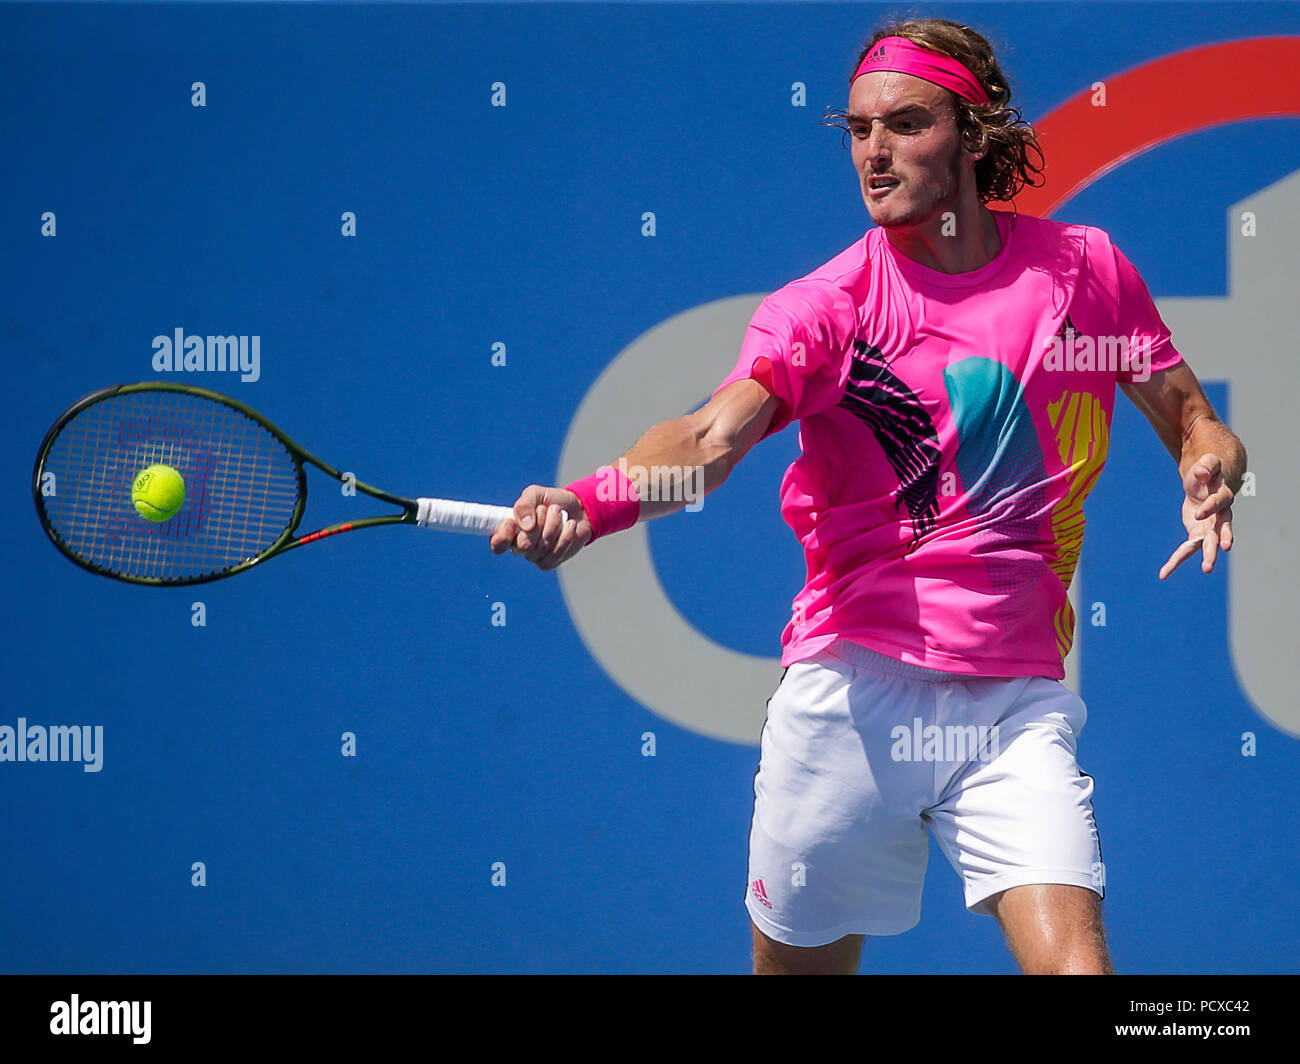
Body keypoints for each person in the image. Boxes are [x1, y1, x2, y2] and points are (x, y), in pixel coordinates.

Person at [488, 17, 1246, 975]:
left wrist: (1209, 465)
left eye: (906, 124)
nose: (874, 152)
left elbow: (1192, 418)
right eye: (857, 130)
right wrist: (594, 502)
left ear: (975, 136)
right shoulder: (829, 308)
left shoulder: (1084, 271)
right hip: (849, 701)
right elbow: (711, 439)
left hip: (1013, 702)